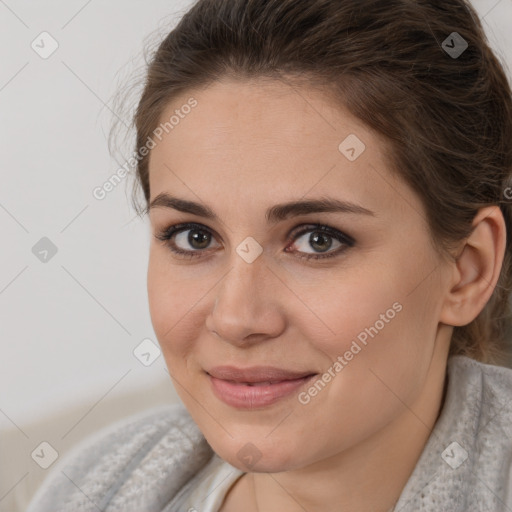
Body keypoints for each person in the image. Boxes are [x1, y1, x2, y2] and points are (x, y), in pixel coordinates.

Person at [26, 0, 512, 511]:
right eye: (194, 237)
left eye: (317, 240)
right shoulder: (95, 487)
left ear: (467, 270)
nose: (236, 318)